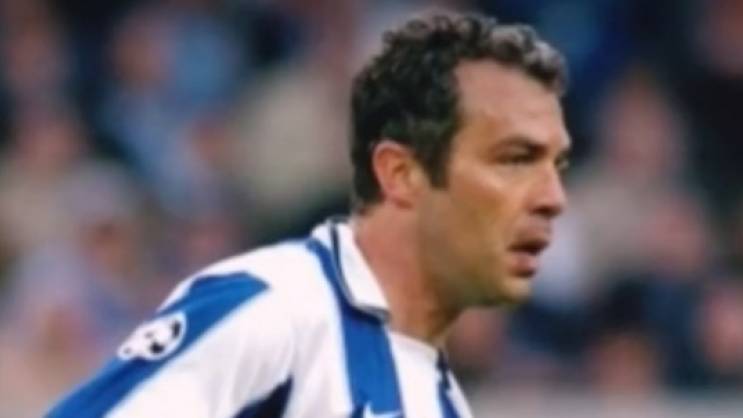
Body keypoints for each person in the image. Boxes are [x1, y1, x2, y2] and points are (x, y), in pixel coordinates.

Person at [47, 11, 570, 418]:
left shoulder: (443, 404)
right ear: (401, 173)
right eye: (515, 159)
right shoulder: (274, 310)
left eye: (558, 165)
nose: (553, 197)